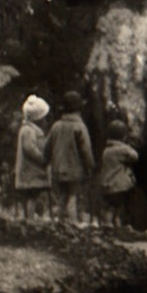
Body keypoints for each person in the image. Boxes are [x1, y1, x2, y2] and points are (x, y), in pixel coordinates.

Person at [46, 90, 94, 224]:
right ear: (79, 109)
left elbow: (47, 147)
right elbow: (86, 150)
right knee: (73, 196)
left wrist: (46, 161)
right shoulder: (80, 127)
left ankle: (60, 223)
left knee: (62, 197)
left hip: (58, 169)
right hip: (75, 170)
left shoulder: (56, 126)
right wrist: (90, 166)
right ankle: (73, 224)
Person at [96, 120, 139, 229]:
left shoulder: (106, 150)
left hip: (107, 184)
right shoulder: (122, 149)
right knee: (120, 207)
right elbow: (135, 156)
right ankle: (120, 226)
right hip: (120, 186)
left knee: (109, 207)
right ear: (123, 136)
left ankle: (108, 225)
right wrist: (128, 145)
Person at [13, 95, 51, 219]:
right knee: (32, 196)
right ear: (37, 118)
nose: (45, 121)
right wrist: (42, 159)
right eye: (43, 118)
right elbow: (30, 148)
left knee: (32, 196)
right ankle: (30, 219)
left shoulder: (29, 129)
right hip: (30, 172)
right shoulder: (29, 131)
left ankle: (29, 218)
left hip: (30, 171)